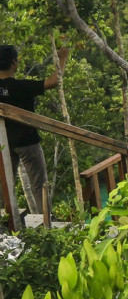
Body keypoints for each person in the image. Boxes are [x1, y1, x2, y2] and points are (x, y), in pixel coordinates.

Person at [0, 44, 69, 221]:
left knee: (5, 185)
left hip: (4, 144)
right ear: (14, 63)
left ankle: (3, 221)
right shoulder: (21, 87)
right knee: (38, 184)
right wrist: (62, 58)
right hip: (27, 141)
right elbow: (54, 81)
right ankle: (46, 222)